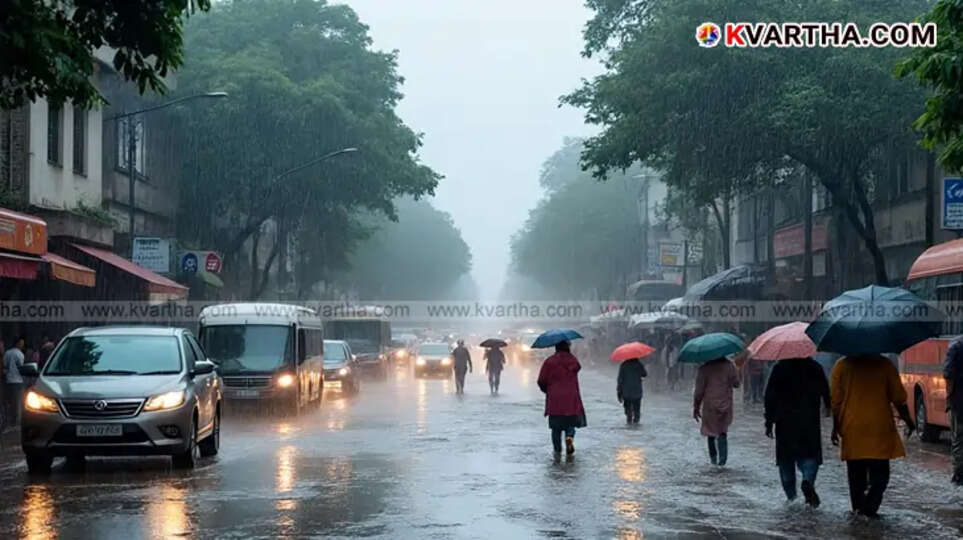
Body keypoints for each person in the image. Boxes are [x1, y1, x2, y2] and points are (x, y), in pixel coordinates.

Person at [831, 354, 916, 518]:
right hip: (879, 429)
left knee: (856, 477)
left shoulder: (841, 366)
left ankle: (858, 514)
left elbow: (835, 401)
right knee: (880, 477)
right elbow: (898, 398)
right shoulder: (885, 365)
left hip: (852, 428)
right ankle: (869, 510)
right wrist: (908, 421)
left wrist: (835, 428)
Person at [764, 356, 831, 507]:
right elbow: (825, 390)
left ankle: (791, 499)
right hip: (809, 421)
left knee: (786, 460)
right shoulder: (815, 367)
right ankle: (807, 480)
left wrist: (768, 422)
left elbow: (769, 397)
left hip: (784, 422)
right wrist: (828, 406)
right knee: (810, 455)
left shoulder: (779, 368)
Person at [537, 340, 586, 456]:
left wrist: (547, 390)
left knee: (556, 428)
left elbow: (541, 380)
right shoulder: (573, 360)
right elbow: (577, 368)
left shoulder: (549, 361)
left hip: (555, 399)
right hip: (570, 397)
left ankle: (557, 451)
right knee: (570, 424)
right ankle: (569, 437)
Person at [693, 356, 740, 466]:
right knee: (722, 431)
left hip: (710, 405)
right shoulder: (729, 366)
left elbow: (699, 391)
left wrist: (696, 407)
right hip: (725, 404)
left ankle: (713, 461)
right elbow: (736, 384)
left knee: (710, 432)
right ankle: (722, 462)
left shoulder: (704, 368)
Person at [945, 336, 963, 485]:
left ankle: (959, 475)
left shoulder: (956, 345)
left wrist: (949, 396)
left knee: (958, 439)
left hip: (960, 403)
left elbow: (948, 375)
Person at [3, 336, 26, 427]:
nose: (22, 345)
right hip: (18, 381)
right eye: (21, 343)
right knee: (18, 403)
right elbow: (22, 367)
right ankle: (16, 423)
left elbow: (5, 366)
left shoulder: (7, 353)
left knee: (9, 402)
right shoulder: (20, 354)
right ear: (17, 343)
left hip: (8, 381)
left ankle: (9, 421)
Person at [617, 357, 647, 424]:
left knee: (628, 410)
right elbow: (644, 374)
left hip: (626, 392)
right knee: (637, 409)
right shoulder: (639, 364)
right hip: (637, 391)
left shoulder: (624, 365)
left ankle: (629, 421)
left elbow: (620, 379)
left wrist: (619, 392)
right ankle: (636, 422)